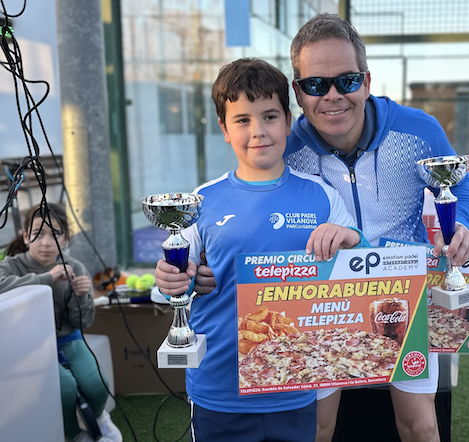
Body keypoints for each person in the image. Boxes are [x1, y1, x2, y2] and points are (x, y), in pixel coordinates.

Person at [170, 13, 469, 442]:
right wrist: (201, 266)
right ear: (298, 93)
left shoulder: (419, 130)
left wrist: (459, 224)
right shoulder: (285, 143)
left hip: (402, 289)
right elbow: (246, 204)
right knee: (317, 427)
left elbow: (457, 188)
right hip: (325, 301)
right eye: (316, 84)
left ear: (366, 80)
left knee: (420, 425)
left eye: (347, 81)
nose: (332, 96)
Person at [154, 58, 364, 442]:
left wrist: (351, 239)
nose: (258, 131)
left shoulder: (322, 196)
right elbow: (175, 282)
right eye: (242, 120)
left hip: (296, 384)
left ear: (287, 120)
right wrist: (171, 279)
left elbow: (362, 270)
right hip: (220, 390)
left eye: (269, 117)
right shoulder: (201, 201)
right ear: (224, 129)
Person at [0, 204, 122, 442]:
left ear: (66, 238)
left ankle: (98, 417)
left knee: (97, 383)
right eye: (38, 233)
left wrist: (82, 296)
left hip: (68, 339)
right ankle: (72, 435)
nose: (46, 242)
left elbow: (82, 322)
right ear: (25, 236)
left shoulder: (75, 267)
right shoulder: (11, 265)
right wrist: (47, 278)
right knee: (64, 389)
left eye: (55, 233)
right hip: (29, 348)